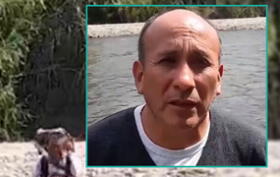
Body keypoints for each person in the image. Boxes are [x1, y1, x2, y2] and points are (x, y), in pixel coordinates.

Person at [87, 9, 266, 166]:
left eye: (201, 63)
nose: (185, 80)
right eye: (167, 61)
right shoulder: (93, 150)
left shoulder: (255, 152)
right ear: (140, 76)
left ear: (219, 79)